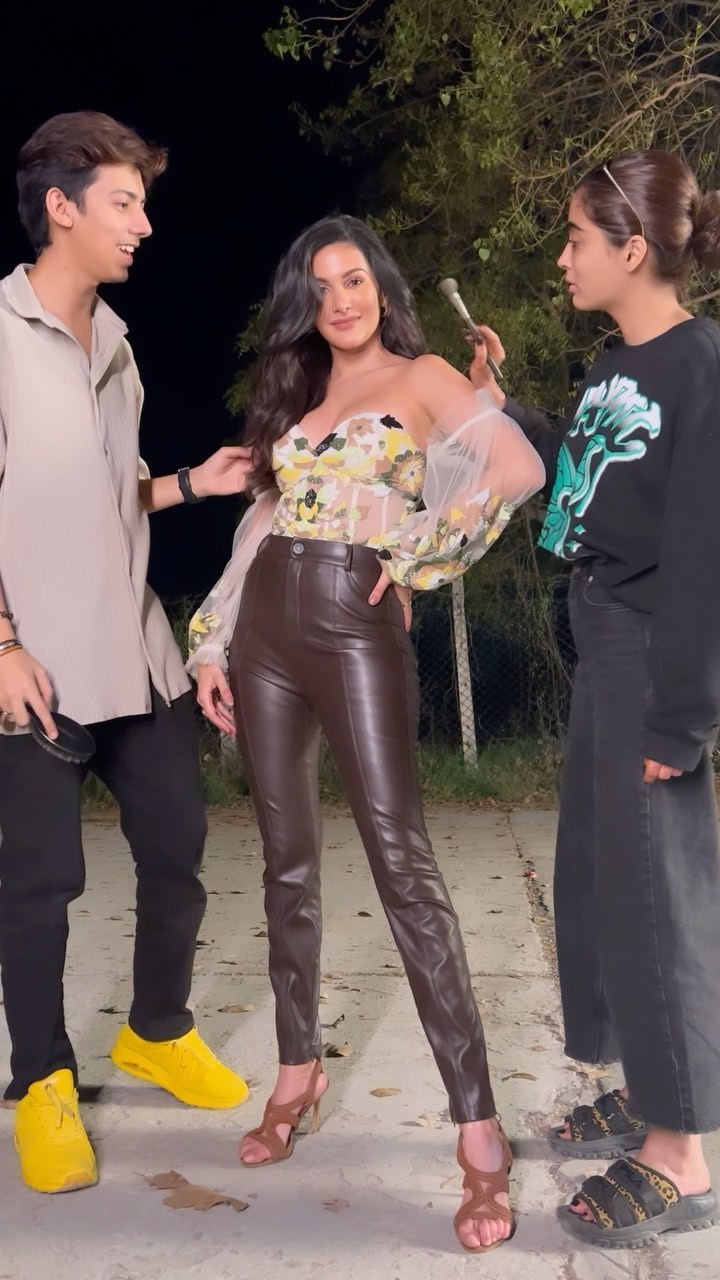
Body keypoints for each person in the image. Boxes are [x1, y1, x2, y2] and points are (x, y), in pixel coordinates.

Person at [187, 213, 544, 1252]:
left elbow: (512, 466)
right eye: (319, 285)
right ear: (303, 303)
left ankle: (478, 1131)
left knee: (403, 863)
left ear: (381, 287)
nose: (339, 299)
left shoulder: (423, 376)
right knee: (285, 863)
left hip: (355, 622)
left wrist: (419, 550)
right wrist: (211, 638)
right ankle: (298, 1069)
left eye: (353, 279)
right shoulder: (298, 394)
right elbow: (263, 519)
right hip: (266, 629)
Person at [468, 150, 720, 1248]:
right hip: (606, 641)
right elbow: (583, 476)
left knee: (659, 895)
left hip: (653, 653)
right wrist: (504, 407)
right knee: (606, 880)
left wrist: (684, 714)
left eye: (576, 238)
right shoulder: (619, 365)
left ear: (633, 248)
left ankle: (681, 1154)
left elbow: (706, 552)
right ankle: (649, 1092)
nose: (563, 256)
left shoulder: (700, 365)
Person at [0, 111, 253, 1196]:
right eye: (124, 203)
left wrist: (193, 483)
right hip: (37, 664)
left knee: (179, 846)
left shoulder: (117, 340)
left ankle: (156, 1029)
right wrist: (2, 642)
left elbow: (107, 494)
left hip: (136, 652)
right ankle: (42, 1080)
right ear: (60, 207)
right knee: (42, 882)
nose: (144, 225)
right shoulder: (1, 334)